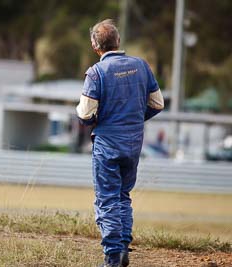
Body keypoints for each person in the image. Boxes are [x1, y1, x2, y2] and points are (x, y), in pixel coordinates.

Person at [76, 19, 164, 267]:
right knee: (123, 196)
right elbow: (158, 104)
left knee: (107, 199)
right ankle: (123, 246)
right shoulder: (142, 66)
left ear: (96, 46)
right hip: (134, 143)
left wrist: (100, 120)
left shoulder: (96, 73)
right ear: (118, 41)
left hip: (107, 143)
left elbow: (84, 114)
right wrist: (134, 119)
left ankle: (114, 255)